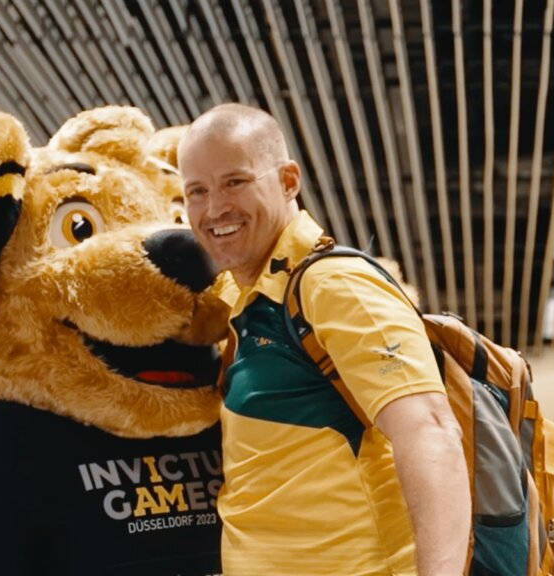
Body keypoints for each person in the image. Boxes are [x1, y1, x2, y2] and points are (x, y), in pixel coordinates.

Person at [179, 102, 471, 576]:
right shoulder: (246, 300)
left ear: (288, 181)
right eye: (197, 190)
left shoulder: (332, 284)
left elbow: (431, 432)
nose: (214, 208)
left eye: (235, 181)